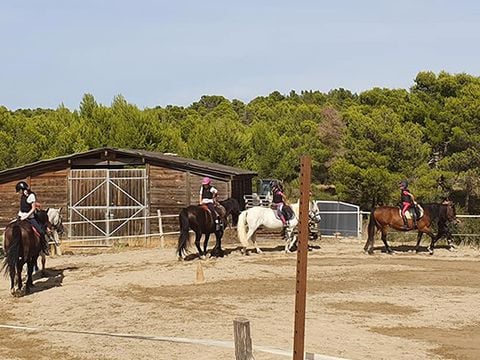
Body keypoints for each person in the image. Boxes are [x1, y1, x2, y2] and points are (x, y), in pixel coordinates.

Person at [16, 181, 49, 255]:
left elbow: (33, 208)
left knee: (41, 231)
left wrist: (26, 216)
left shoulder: (31, 196)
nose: (19, 193)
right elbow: (22, 207)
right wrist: (20, 215)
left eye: (19, 191)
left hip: (30, 217)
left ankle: (44, 247)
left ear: (23, 189)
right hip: (21, 216)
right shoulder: (23, 196)